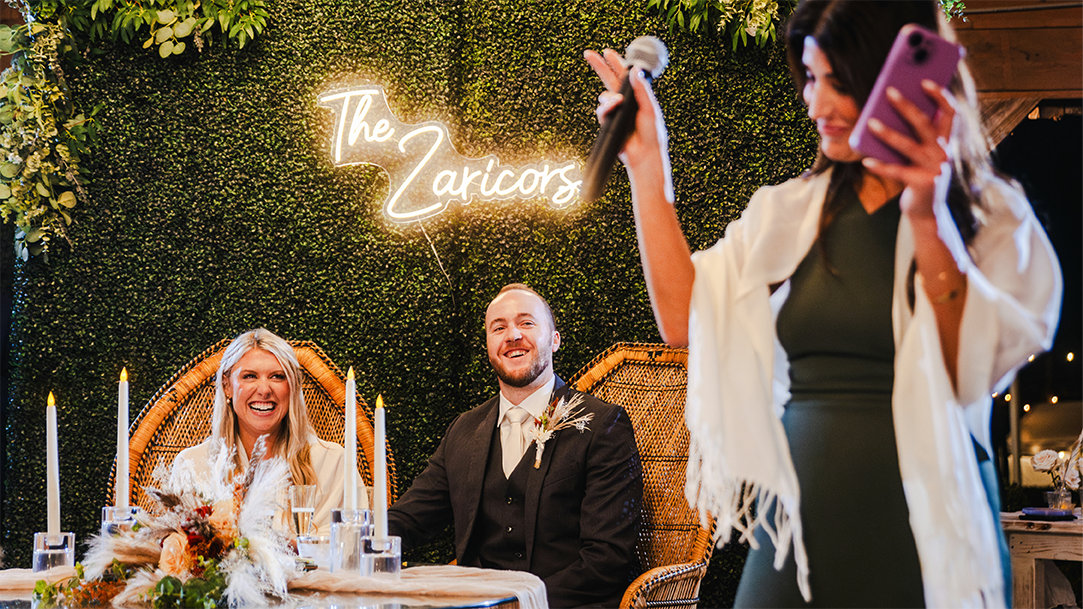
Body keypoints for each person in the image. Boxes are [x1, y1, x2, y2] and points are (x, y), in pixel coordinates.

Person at [586, 1, 1061, 607]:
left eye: (838, 81)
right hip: (796, 529)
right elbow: (683, 319)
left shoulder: (991, 217)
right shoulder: (790, 210)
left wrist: (928, 220)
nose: (816, 103)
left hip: (920, 522)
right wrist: (648, 169)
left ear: (899, 78)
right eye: (811, 77)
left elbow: (965, 375)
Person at [388, 284, 643, 608]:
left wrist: (521, 603)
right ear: (489, 346)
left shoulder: (602, 425)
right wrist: (348, 541)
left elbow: (607, 559)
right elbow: (410, 519)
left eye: (526, 323)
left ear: (554, 339)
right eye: (499, 327)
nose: (512, 335)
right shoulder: (464, 430)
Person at [171, 328, 347, 536]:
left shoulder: (333, 463)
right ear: (227, 386)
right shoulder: (192, 465)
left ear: (293, 387)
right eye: (250, 376)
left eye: (277, 376)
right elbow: (178, 551)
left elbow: (352, 549)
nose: (264, 390)